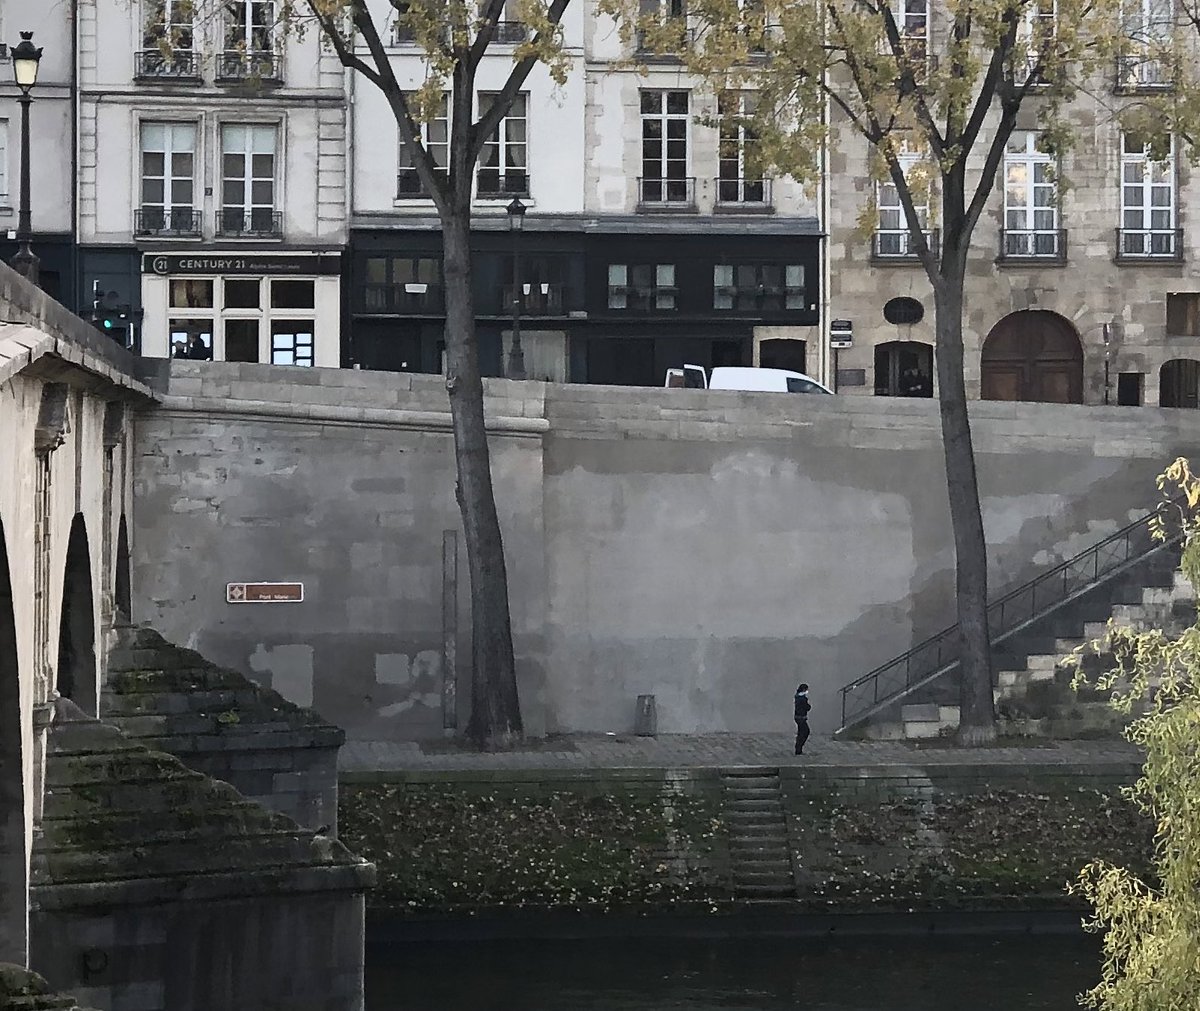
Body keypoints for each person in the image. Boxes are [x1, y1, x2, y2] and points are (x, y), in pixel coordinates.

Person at [794, 682, 811, 755]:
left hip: (798, 717)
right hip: (801, 717)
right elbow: (807, 707)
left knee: (801, 732)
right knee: (805, 732)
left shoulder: (797, 697)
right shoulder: (802, 698)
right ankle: (799, 748)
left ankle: (798, 748)